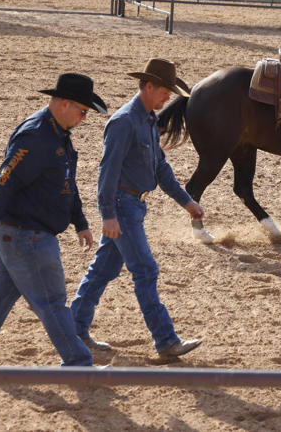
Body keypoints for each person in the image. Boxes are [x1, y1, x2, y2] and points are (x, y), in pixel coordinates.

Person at [0, 73, 107, 367]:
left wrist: (79, 221)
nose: (85, 118)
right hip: (26, 235)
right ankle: (79, 364)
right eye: (83, 111)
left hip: (21, 234)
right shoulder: (36, 137)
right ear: (64, 104)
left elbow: (66, 183)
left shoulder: (57, 133)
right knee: (52, 301)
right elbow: (4, 181)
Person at [71, 58, 205, 359]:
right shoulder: (123, 122)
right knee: (145, 269)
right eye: (165, 91)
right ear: (148, 86)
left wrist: (187, 202)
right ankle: (166, 340)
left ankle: (74, 329)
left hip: (133, 206)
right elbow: (106, 171)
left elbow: (161, 169)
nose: (168, 97)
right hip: (123, 206)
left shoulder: (146, 120)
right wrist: (108, 215)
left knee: (103, 270)